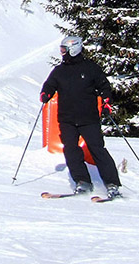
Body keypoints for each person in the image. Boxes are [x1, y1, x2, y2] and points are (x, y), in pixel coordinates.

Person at [39, 35, 122, 198]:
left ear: (74, 48)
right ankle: (82, 181)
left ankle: (112, 184)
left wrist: (106, 102)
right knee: (71, 150)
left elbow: (104, 86)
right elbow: (49, 84)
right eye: (61, 50)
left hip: (88, 118)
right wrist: (45, 93)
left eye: (65, 50)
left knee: (97, 149)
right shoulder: (59, 71)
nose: (62, 53)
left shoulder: (91, 68)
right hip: (67, 119)